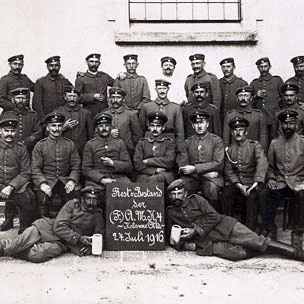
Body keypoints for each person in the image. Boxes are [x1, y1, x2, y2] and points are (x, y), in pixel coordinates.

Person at [166, 179, 304, 262]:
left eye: (179, 193)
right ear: (170, 196)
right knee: (238, 254)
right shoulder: (170, 212)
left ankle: (297, 254)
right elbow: (169, 237)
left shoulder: (196, 200)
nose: (177, 197)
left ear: (184, 193)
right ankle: (267, 250)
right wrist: (184, 246)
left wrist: (195, 230)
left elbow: (213, 216)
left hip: (225, 226)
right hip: (206, 242)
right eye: (173, 194)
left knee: (258, 241)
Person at [0, 186, 105, 263]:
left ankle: (16, 248)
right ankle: (5, 248)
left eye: (94, 199)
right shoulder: (72, 205)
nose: (91, 202)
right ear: (82, 199)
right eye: (88, 198)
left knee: (37, 255)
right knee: (20, 242)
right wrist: (79, 238)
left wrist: (91, 246)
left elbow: (100, 237)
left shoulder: (97, 216)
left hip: (63, 242)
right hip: (47, 228)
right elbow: (59, 226)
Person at [260, 110, 304, 247]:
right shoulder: (275, 143)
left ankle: (297, 233)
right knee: (265, 194)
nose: (288, 126)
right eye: (285, 124)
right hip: (280, 183)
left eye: (291, 123)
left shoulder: (302, 142)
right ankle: (271, 229)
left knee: (303, 196)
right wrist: (271, 178)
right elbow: (270, 166)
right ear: (281, 125)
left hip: (298, 183)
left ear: (296, 124)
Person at [222, 117, 268, 231]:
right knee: (225, 196)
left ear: (246, 132)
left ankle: (250, 231)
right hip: (237, 183)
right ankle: (227, 229)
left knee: (251, 198)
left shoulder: (254, 145)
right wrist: (239, 185)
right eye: (235, 130)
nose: (238, 132)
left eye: (241, 129)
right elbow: (228, 170)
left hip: (252, 183)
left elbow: (262, 163)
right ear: (232, 133)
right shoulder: (230, 150)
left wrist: (255, 183)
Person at [31, 112, 81, 218]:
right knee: (42, 198)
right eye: (53, 126)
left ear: (63, 127)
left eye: (59, 125)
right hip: (47, 180)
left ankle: (68, 224)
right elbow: (35, 168)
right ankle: (44, 225)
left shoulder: (70, 144)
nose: (56, 129)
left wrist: (72, 180)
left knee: (74, 196)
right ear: (47, 128)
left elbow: (76, 165)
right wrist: (42, 183)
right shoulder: (40, 146)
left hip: (64, 180)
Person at [82, 113, 133, 211]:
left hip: (117, 178)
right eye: (101, 126)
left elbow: (128, 166)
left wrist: (113, 163)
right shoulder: (90, 144)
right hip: (97, 181)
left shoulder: (119, 142)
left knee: (130, 190)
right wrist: (102, 180)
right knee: (91, 196)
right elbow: (86, 169)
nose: (104, 128)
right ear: (97, 128)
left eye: (107, 125)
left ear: (111, 127)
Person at [178, 110, 224, 211]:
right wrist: (202, 173)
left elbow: (218, 164)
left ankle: (213, 218)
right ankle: (187, 219)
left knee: (211, 188)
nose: (199, 126)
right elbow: (183, 166)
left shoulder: (216, 140)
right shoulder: (187, 142)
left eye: (202, 122)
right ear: (192, 125)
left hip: (211, 179)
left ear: (207, 124)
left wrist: (194, 168)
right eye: (196, 123)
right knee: (180, 187)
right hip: (192, 178)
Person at [0, 118, 36, 234]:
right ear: (0, 131)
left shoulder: (21, 149)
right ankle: (8, 220)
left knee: (28, 196)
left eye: (12, 131)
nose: (9, 134)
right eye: (6, 131)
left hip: (15, 184)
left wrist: (11, 186)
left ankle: (24, 226)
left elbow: (26, 172)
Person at [139, 79, 184, 154]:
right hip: (150, 141)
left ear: (168, 89)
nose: (162, 91)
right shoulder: (147, 107)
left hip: (169, 142)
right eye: (159, 88)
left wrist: (179, 150)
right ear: (156, 89)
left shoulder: (175, 108)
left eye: (164, 88)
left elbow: (180, 132)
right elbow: (141, 129)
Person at [134, 111, 176, 185]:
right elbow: (137, 163)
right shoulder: (142, 142)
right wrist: (154, 170)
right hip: (145, 172)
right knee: (141, 181)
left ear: (163, 128)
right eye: (152, 126)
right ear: (149, 127)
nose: (155, 129)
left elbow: (169, 161)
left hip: (165, 173)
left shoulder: (169, 142)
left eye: (158, 126)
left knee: (154, 180)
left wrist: (147, 161)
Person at [223, 86, 268, 152]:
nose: (243, 98)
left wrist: (261, 153)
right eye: (240, 96)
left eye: (246, 95)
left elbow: (263, 137)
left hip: (253, 152)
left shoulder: (258, 115)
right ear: (237, 98)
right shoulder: (230, 115)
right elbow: (226, 138)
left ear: (251, 98)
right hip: (235, 153)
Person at [102, 87, 143, 159]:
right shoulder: (104, 114)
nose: (115, 100)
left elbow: (137, 135)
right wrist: (109, 133)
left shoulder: (131, 114)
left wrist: (133, 150)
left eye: (118, 97)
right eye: (113, 97)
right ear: (109, 99)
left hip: (127, 151)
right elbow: (96, 134)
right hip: (109, 151)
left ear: (123, 99)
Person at [250, 57, 284, 140]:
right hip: (260, 119)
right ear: (258, 68)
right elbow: (248, 101)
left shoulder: (277, 81)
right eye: (261, 67)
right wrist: (256, 96)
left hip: (274, 118)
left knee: (275, 140)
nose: (263, 69)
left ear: (270, 67)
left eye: (265, 66)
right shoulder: (254, 83)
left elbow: (284, 97)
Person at [1, 88, 43, 154]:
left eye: (23, 98)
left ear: (26, 100)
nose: (21, 100)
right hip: (10, 149)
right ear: (13, 100)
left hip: (28, 149)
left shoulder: (33, 115)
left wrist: (27, 142)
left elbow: (38, 132)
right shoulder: (7, 115)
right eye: (18, 98)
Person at [54, 86, 93, 155]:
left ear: (78, 98)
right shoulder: (58, 112)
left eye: (74, 96)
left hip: (82, 150)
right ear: (65, 97)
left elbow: (90, 134)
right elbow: (49, 133)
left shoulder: (86, 113)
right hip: (63, 150)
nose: (72, 99)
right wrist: (64, 128)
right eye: (69, 96)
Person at [32, 56, 72, 123]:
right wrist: (44, 120)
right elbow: (37, 104)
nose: (54, 68)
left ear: (60, 66)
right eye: (51, 66)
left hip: (64, 118)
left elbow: (73, 95)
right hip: (47, 119)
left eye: (56, 65)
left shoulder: (65, 81)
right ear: (47, 67)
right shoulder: (41, 82)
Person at [75, 53, 114, 119]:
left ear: (99, 63)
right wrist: (92, 97)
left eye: (96, 62)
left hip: (104, 112)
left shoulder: (104, 76)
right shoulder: (81, 79)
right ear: (87, 62)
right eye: (91, 61)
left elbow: (117, 84)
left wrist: (121, 75)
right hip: (89, 113)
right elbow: (76, 97)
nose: (94, 64)